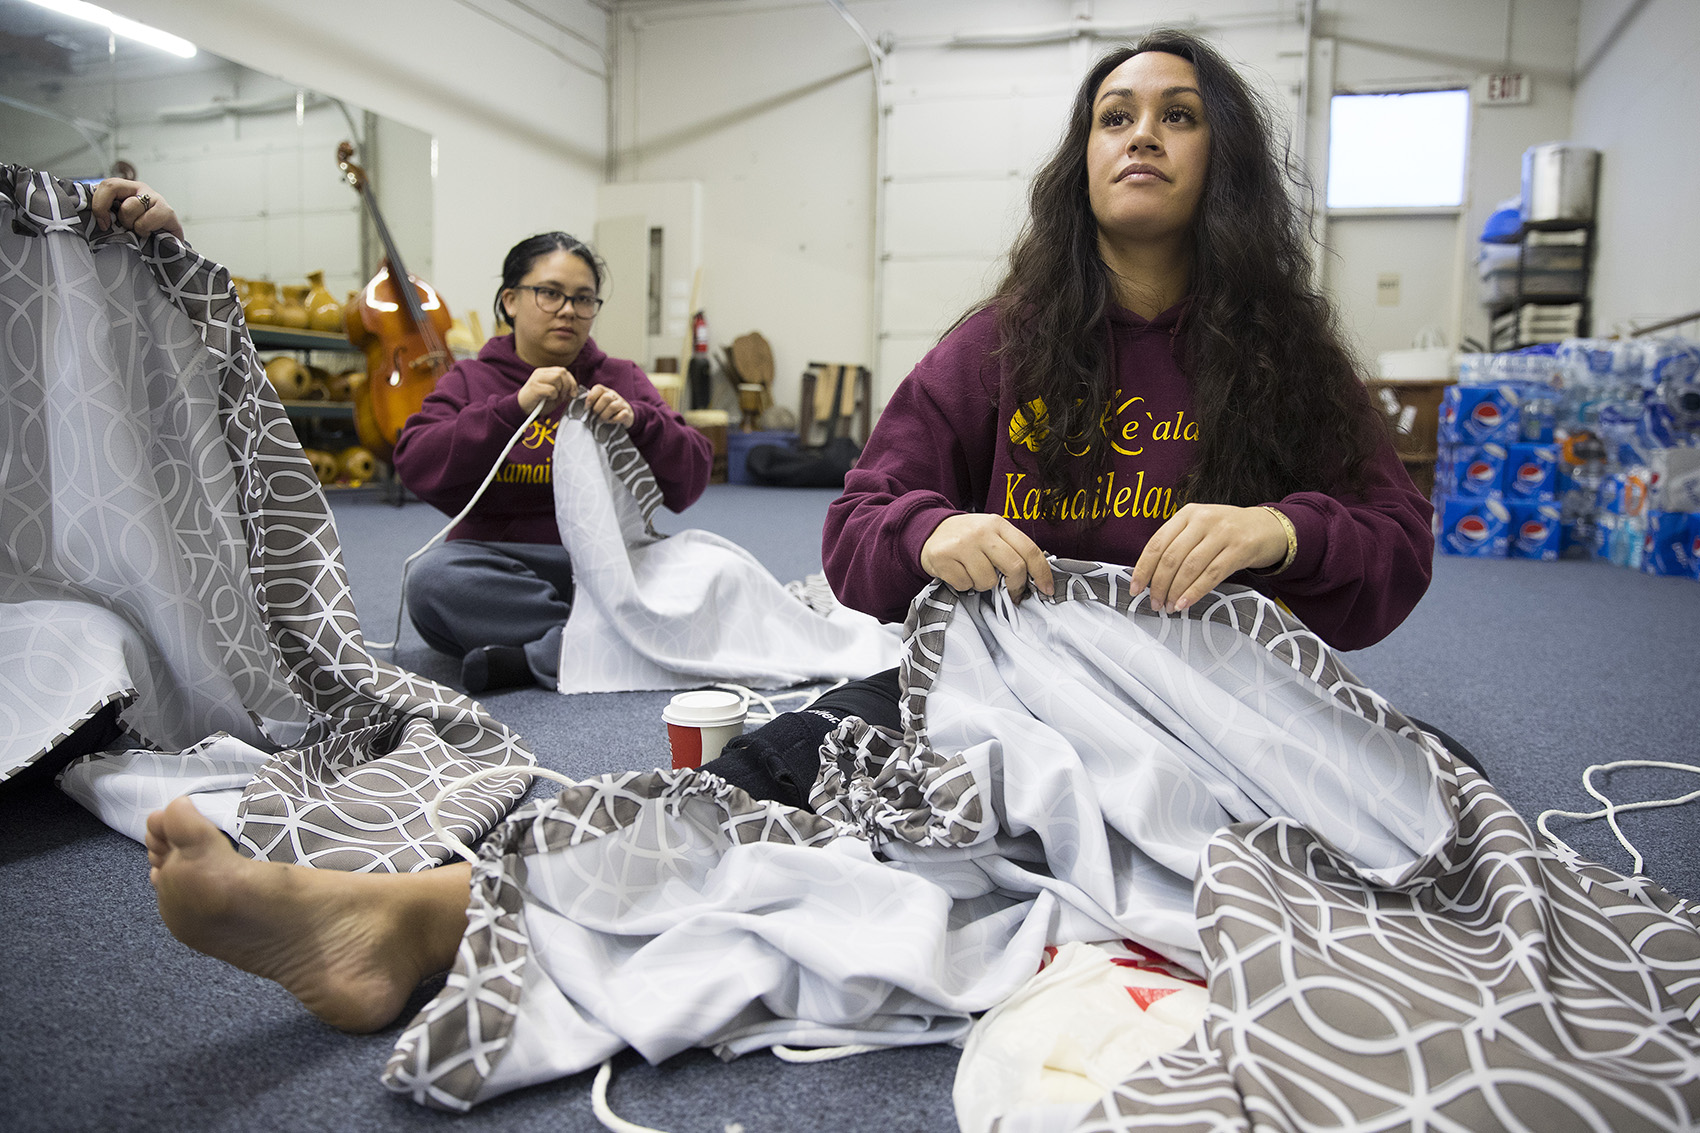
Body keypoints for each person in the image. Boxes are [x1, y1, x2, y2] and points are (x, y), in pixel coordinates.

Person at [147, 30, 1438, 1034]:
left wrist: (1281, 529)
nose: (1142, 134)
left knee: (1410, 811)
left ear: (1227, 162)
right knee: (780, 768)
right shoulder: (1002, 345)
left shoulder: (1285, 360)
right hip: (1014, 681)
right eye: (1114, 114)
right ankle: (419, 916)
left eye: (1178, 114)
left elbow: (1393, 549)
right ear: (1080, 160)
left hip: (1202, 695)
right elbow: (860, 528)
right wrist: (933, 534)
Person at [392, 232, 713, 693]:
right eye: (550, 293)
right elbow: (415, 460)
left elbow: (693, 477)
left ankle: (541, 656)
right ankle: (615, 642)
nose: (567, 310)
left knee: (711, 570)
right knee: (433, 584)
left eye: (583, 299)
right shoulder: (473, 379)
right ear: (510, 301)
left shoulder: (620, 378)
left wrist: (641, 422)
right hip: (502, 565)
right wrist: (511, 409)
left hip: (611, 566)